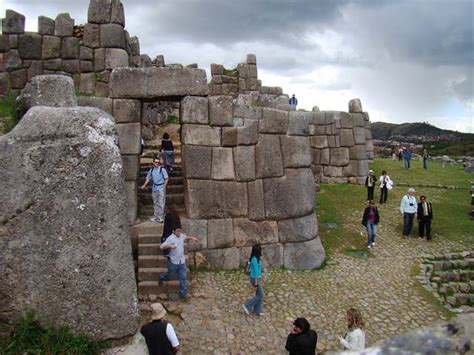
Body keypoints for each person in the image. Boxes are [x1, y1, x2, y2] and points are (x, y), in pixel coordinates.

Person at [159, 225, 199, 299]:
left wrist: (193, 238)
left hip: (182, 261)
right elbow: (161, 247)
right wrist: (170, 246)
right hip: (173, 262)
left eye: (180, 231)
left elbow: (186, 237)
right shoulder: (170, 238)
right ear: (173, 231)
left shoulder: (181, 236)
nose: (179, 232)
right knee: (169, 276)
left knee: (183, 277)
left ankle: (183, 294)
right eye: (177, 231)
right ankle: (162, 277)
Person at [141, 156, 169, 223]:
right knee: (155, 202)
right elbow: (148, 178)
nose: (157, 163)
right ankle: (156, 216)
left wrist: (164, 186)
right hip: (154, 187)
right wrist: (144, 185)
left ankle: (161, 217)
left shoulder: (162, 169)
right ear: (153, 162)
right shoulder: (152, 170)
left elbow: (166, 178)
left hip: (161, 187)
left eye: (158, 162)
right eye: (155, 162)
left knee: (161, 202)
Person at [242, 244, 264, 316]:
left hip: (259, 278)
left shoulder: (257, 258)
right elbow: (255, 271)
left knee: (258, 294)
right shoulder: (254, 259)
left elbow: (258, 268)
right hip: (255, 278)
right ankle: (247, 305)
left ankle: (257, 310)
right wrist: (256, 281)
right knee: (261, 295)